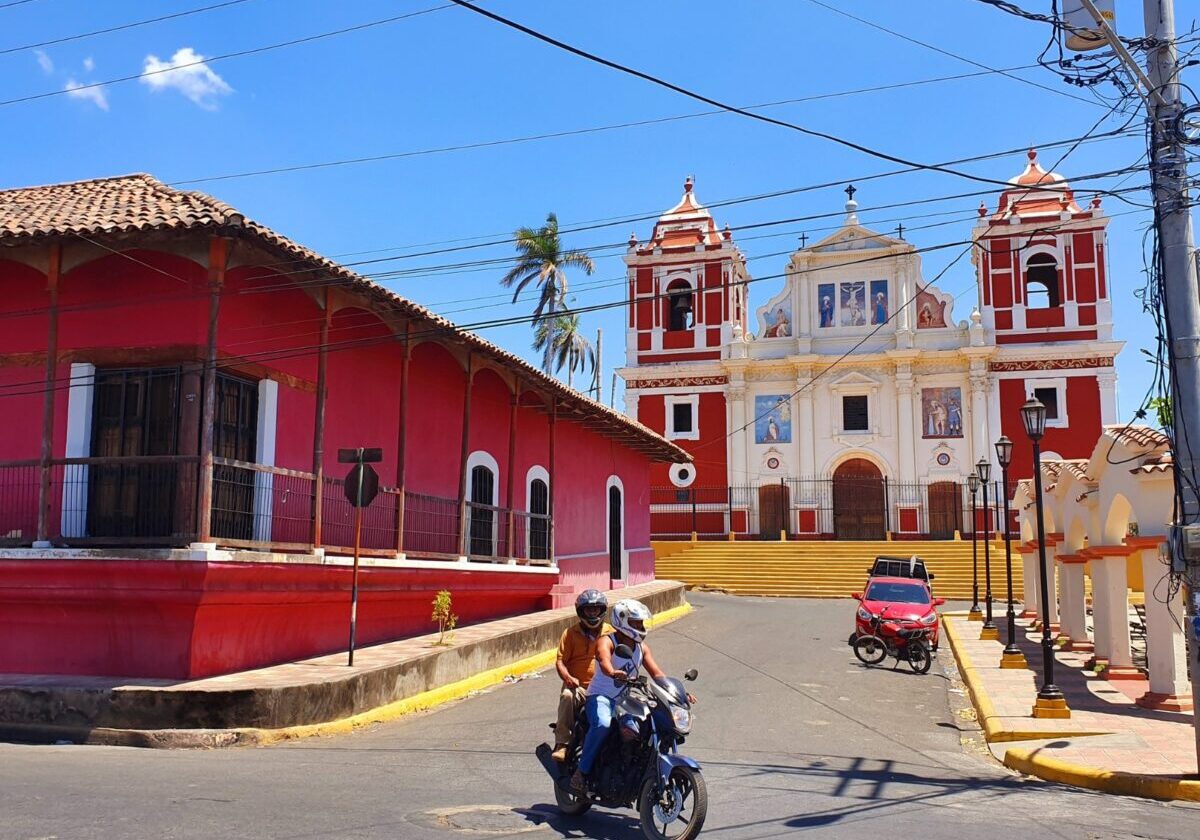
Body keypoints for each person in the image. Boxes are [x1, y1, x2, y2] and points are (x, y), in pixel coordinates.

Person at [570, 599, 696, 793]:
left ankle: (632, 770)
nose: (640, 627)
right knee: (603, 724)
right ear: (623, 622)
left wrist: (678, 694)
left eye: (641, 623)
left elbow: (657, 674)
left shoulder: (642, 648)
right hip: (601, 697)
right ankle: (582, 772)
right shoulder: (607, 641)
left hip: (624, 699)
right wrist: (612, 672)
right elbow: (604, 660)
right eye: (636, 623)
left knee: (641, 728)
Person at [551, 589, 611, 762]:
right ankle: (562, 743)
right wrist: (568, 678)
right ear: (580, 612)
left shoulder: (612, 633)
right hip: (579, 688)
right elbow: (560, 661)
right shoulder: (570, 634)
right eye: (588, 610)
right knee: (567, 696)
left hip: (604, 689)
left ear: (602, 610)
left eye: (596, 609)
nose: (592, 613)